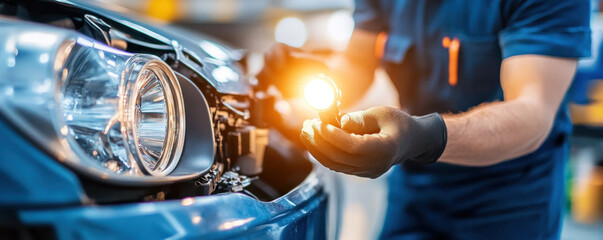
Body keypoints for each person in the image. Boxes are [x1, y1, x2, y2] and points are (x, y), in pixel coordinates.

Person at [259, 0, 591, 239]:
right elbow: (357, 64)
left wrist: (422, 136)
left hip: (509, 199)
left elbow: (532, 112)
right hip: (416, 187)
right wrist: (316, 76)